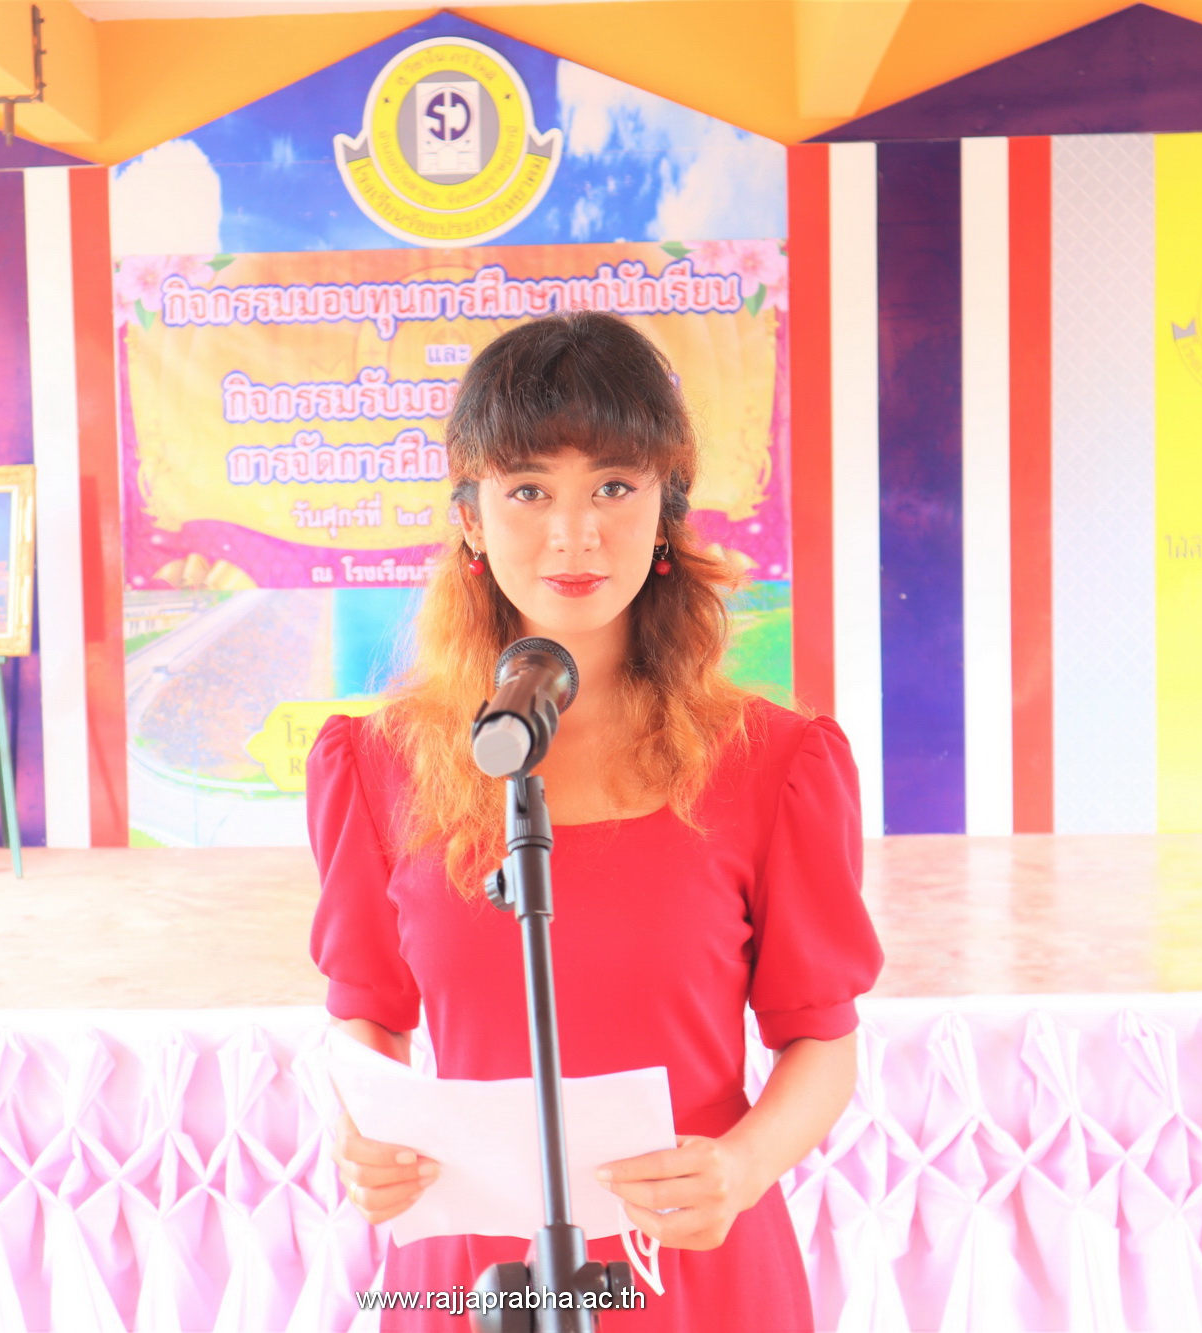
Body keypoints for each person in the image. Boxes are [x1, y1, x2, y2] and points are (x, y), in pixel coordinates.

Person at [306, 310, 883, 1330]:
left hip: (693, 1266)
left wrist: (743, 1165)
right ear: (471, 518)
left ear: (665, 511)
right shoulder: (377, 764)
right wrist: (364, 1137)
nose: (573, 533)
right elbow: (367, 1017)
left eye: (613, 486)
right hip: (467, 1277)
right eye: (528, 489)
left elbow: (822, 1039)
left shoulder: (775, 765)